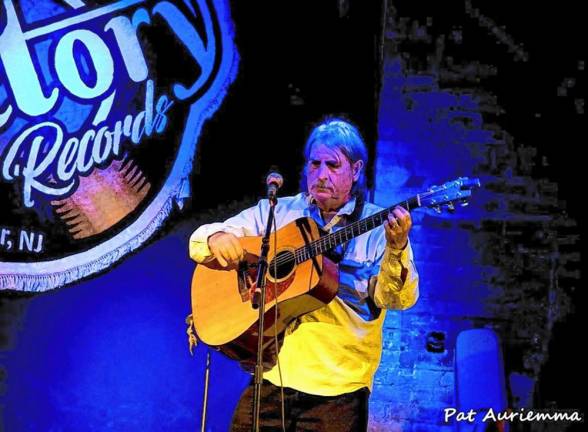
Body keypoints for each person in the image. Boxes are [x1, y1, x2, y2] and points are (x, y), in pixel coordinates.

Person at [189, 117, 419, 431]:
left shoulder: (377, 229)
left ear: (355, 170)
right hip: (271, 376)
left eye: (333, 165)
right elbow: (200, 242)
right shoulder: (278, 212)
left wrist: (397, 247)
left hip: (337, 391)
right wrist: (217, 238)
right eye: (315, 164)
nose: (321, 175)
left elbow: (397, 299)